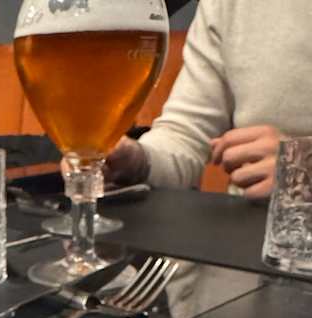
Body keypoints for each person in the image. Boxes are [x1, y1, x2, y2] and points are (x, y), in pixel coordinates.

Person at [106, 0, 311, 199]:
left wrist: (304, 169)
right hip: (246, 219)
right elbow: (184, 137)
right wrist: (135, 160)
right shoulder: (227, 5)